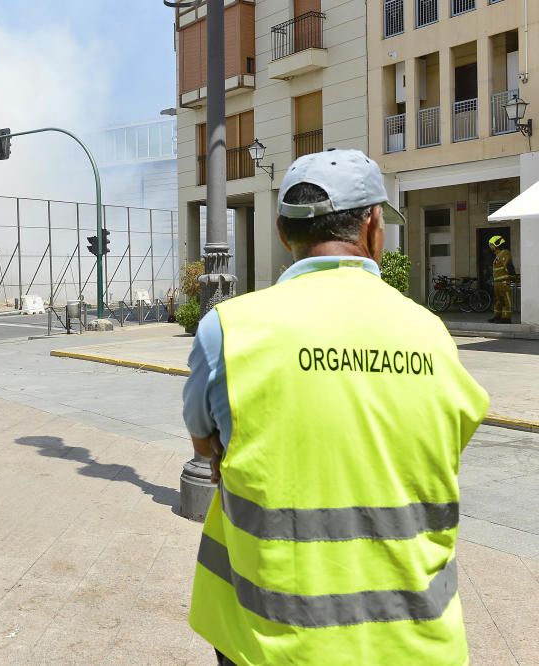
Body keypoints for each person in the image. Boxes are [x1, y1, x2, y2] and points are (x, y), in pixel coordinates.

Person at [182, 149, 489, 666]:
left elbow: (204, 441)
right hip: (414, 637)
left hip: (271, 638)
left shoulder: (229, 329)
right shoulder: (432, 336)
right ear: (373, 225)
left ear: (283, 233)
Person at [488, 235, 514, 324]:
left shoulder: (505, 253)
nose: (491, 247)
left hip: (504, 282)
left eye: (491, 245)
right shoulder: (497, 255)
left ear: (497, 244)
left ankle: (506, 318)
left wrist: (512, 277)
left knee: (506, 300)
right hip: (497, 283)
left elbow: (509, 266)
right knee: (499, 301)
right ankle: (497, 316)